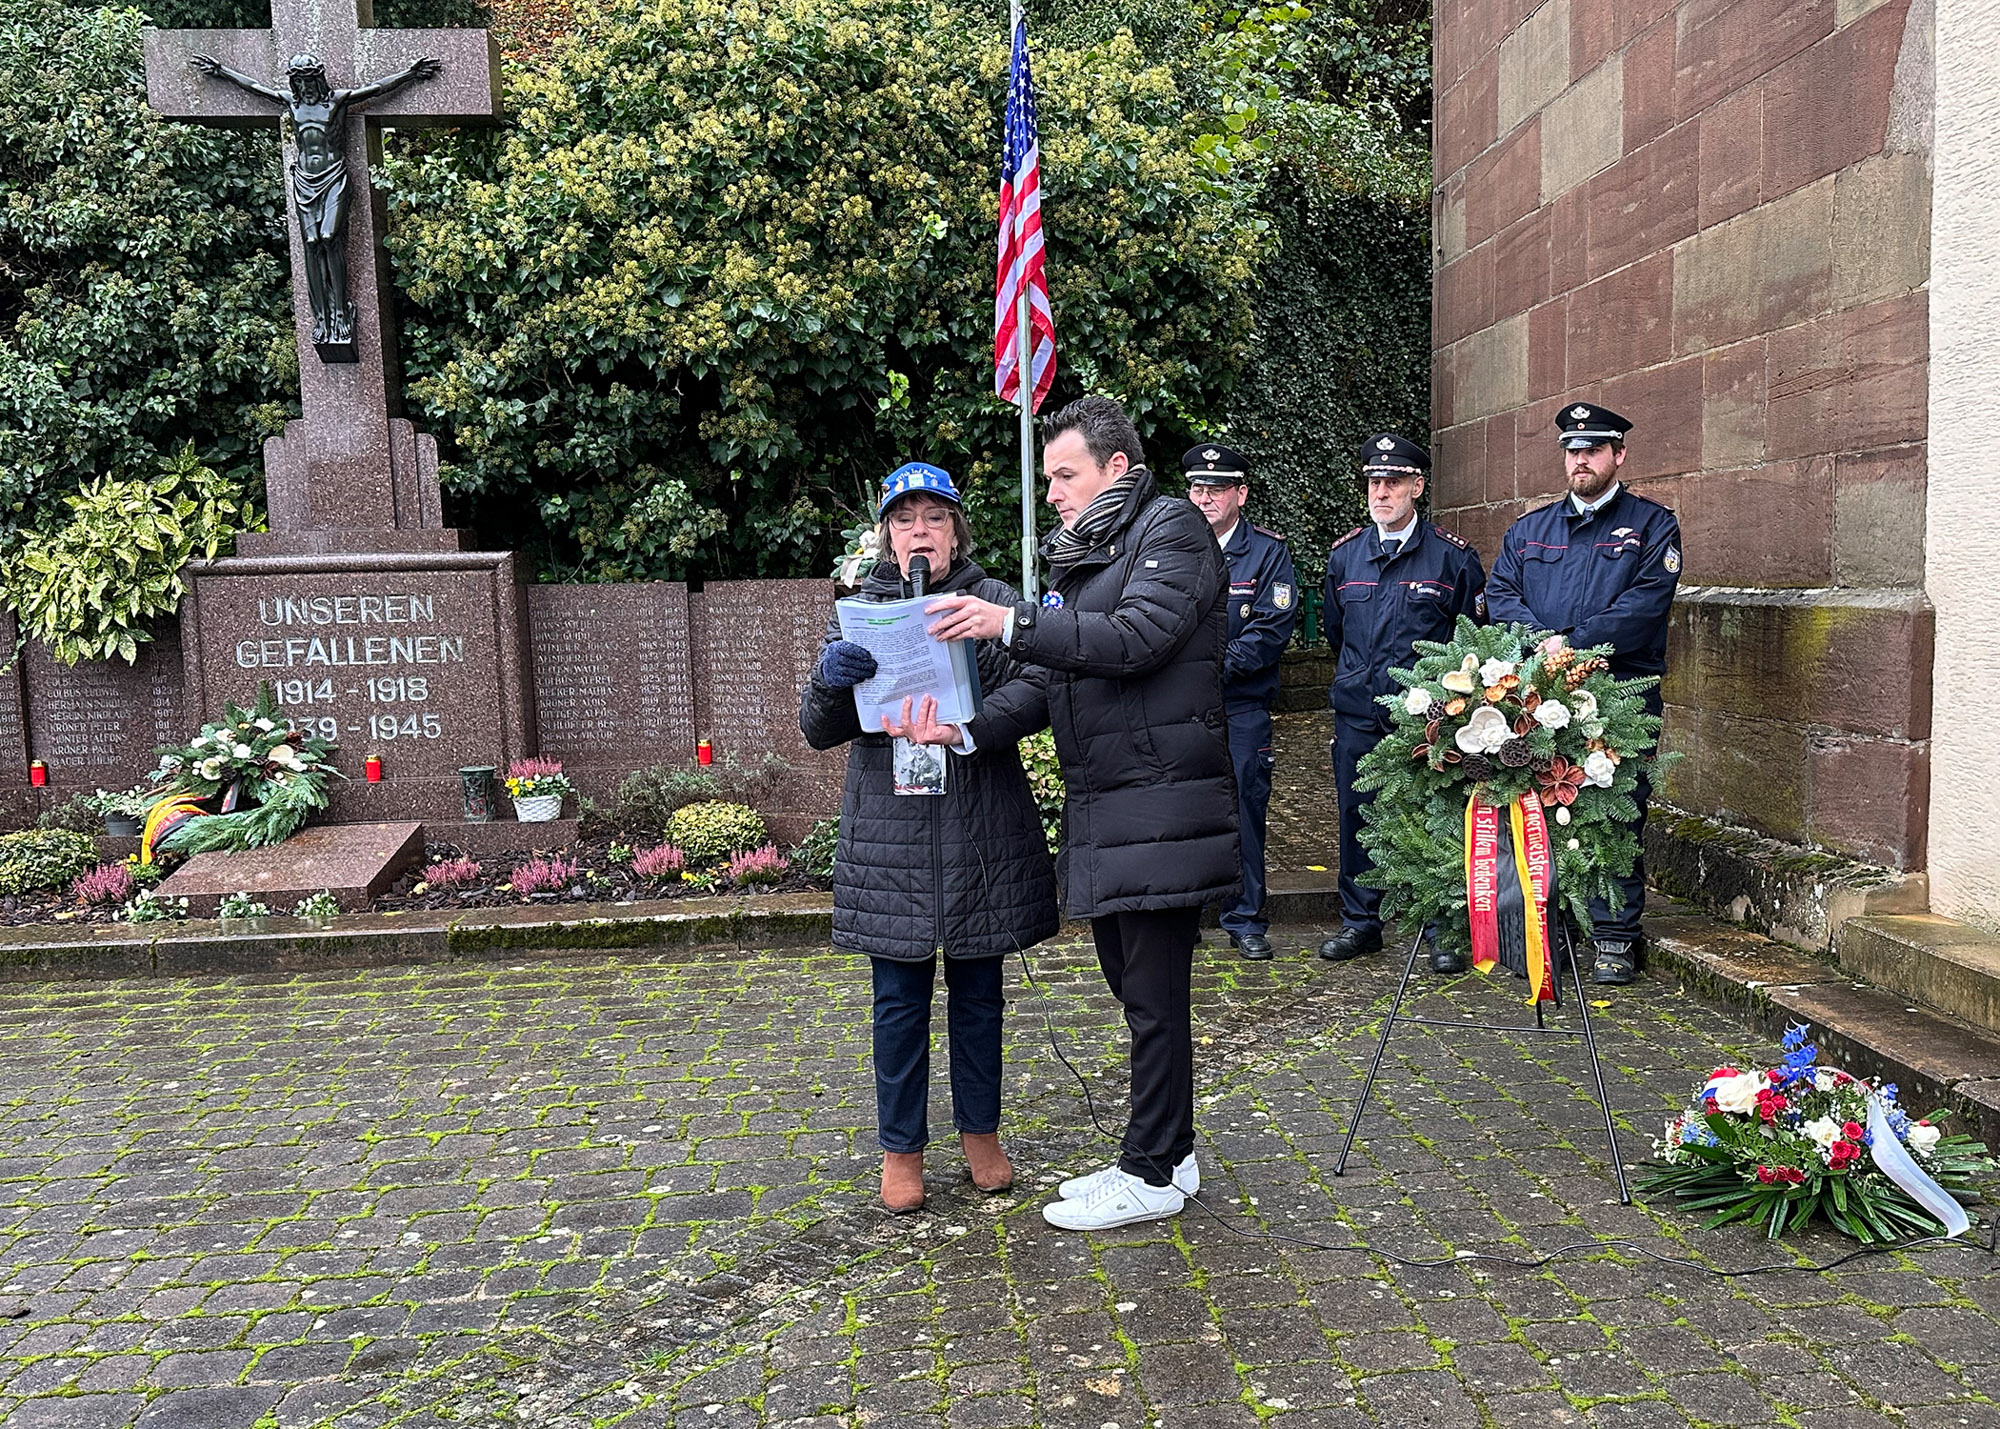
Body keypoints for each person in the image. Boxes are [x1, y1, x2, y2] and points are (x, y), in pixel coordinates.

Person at [897, 396, 1238, 1232]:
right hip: (1109, 805)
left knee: (1155, 996)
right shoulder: (1086, 552)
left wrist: (1011, 620)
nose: (1050, 492)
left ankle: (1150, 1169)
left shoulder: (1172, 531)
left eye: (1063, 475)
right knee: (1133, 985)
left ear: (1114, 468)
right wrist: (963, 730)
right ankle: (1173, 1149)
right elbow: (1053, 681)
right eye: (1048, 477)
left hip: (1163, 802)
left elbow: (1134, 638)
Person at [798, 462, 1058, 1214]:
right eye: (905, 518)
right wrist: (830, 681)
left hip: (980, 822)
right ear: (886, 532)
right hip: (894, 833)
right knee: (899, 999)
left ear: (956, 530)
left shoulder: (994, 601)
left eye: (934, 518)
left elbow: (1039, 689)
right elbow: (818, 728)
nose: (920, 532)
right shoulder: (858, 608)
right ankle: (901, 1150)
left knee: (980, 993)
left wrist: (968, 726)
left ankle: (981, 1134)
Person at [1485, 402, 1681, 986]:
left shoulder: (1652, 526)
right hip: (1539, 695)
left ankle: (1616, 936)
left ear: (1618, 455)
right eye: (1573, 450)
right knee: (1543, 811)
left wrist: (1573, 646)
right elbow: (1501, 594)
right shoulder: (1530, 529)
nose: (1581, 460)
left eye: (1593, 450)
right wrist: (1542, 644)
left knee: (1615, 811)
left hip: (1619, 695)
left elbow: (1643, 606)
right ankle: (1557, 929)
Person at [1318, 434, 1487, 972]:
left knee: (1435, 818)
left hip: (1426, 722)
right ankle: (1360, 923)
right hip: (1358, 712)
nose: (1382, 492)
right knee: (1356, 815)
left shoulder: (1452, 559)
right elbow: (1335, 632)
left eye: (1393, 482)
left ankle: (1441, 928)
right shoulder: (1345, 556)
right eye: (1374, 482)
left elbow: (1471, 641)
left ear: (1417, 486)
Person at [1184, 443, 1298, 962]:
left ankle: (1245, 917)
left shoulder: (1267, 553)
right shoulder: (1172, 547)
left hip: (1239, 707)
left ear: (1241, 494)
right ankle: (1183, 916)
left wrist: (1207, 669)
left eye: (1216, 489)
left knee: (1245, 811)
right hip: (1180, 710)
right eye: (1197, 488)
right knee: (1181, 813)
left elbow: (1270, 632)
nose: (1205, 498)